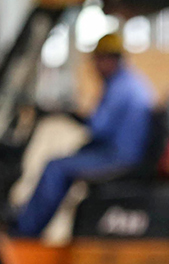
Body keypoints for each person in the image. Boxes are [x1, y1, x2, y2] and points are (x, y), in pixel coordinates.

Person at [11, 32, 156, 237]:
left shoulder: (120, 88)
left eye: (97, 60)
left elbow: (97, 127)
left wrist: (67, 113)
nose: (94, 66)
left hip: (118, 156)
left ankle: (24, 232)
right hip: (120, 151)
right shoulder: (128, 82)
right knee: (70, 157)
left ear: (109, 59)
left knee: (56, 167)